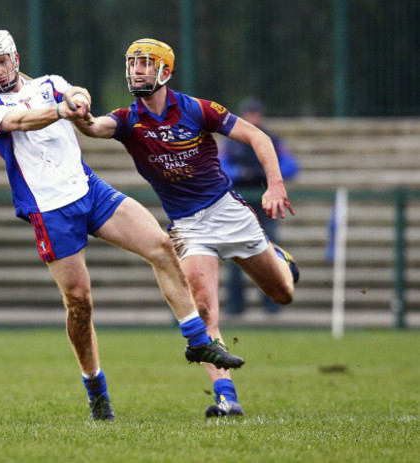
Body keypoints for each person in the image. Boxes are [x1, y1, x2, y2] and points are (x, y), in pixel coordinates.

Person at [0, 30, 244, 422]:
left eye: (1, 61)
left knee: (161, 246)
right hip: (50, 210)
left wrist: (78, 98)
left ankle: (198, 342)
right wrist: (60, 111)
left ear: (15, 57)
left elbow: (73, 91)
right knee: (79, 304)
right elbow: (22, 120)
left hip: (90, 190)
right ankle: (95, 387)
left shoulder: (49, 83)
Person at [74, 38, 299, 417]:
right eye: (133, 64)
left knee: (282, 294)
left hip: (229, 213)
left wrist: (275, 184)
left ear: (165, 71)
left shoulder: (198, 109)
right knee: (204, 310)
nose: (137, 71)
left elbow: (257, 136)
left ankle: (278, 258)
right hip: (189, 227)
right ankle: (227, 397)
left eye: (145, 64)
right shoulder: (128, 119)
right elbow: (95, 127)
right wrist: (79, 113)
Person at [219, 97, 300, 315]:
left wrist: (267, 175)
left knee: (271, 254)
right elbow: (220, 168)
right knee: (236, 256)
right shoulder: (232, 143)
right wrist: (242, 174)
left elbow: (291, 166)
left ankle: (273, 305)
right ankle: (235, 308)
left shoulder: (271, 140)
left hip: (267, 205)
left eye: (256, 113)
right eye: (249, 113)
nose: (253, 117)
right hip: (238, 205)